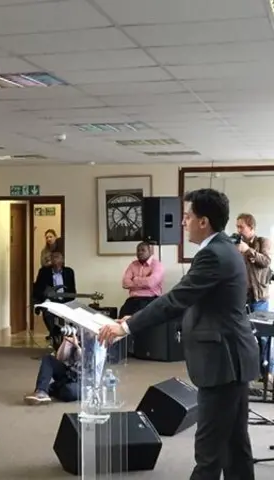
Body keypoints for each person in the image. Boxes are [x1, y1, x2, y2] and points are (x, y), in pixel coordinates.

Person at [99, 188, 260, 480]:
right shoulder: (223, 249)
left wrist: (126, 327)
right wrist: (134, 316)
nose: (183, 222)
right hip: (233, 358)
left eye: (187, 216)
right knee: (235, 446)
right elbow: (190, 299)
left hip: (223, 362)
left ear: (204, 221)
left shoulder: (214, 254)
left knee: (209, 453)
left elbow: (175, 300)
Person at [24, 333, 81, 405]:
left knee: (69, 391)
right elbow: (60, 358)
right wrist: (65, 342)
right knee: (48, 359)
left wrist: (77, 347)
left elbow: (87, 364)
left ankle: (51, 388)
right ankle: (42, 391)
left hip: (83, 381)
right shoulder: (78, 334)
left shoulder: (96, 340)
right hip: (69, 373)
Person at [120, 241, 165, 317]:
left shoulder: (157, 265)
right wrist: (144, 281)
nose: (140, 252)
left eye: (143, 250)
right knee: (122, 318)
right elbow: (125, 283)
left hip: (150, 300)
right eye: (138, 250)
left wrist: (135, 279)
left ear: (150, 252)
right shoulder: (133, 264)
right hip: (133, 300)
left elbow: (151, 282)